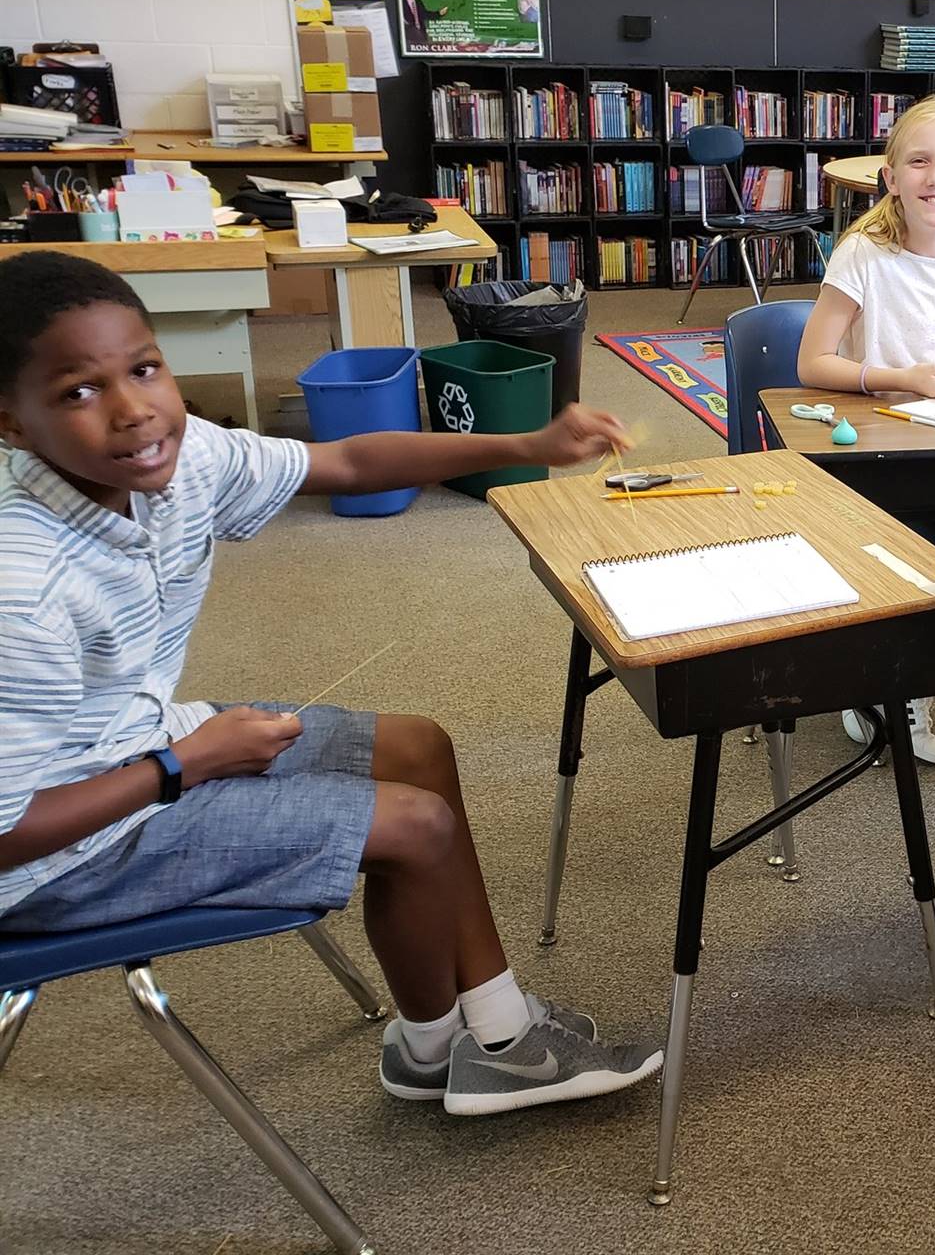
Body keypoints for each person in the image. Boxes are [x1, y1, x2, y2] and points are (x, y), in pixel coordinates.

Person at [0, 252, 660, 1117]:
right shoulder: (24, 584)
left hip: (139, 741)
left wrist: (523, 445)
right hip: (59, 860)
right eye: (78, 391)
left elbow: (343, 462)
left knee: (418, 748)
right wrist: (185, 766)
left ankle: (498, 1033)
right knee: (415, 825)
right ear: (10, 424)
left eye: (144, 368)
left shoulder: (180, 452)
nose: (132, 410)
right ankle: (431, 1050)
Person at [797, 94, 935, 766]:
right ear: (891, 177)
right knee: (903, 551)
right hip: (878, 435)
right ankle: (882, 681)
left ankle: (911, 671)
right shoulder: (865, 253)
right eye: (919, 162)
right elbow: (814, 361)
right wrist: (899, 376)